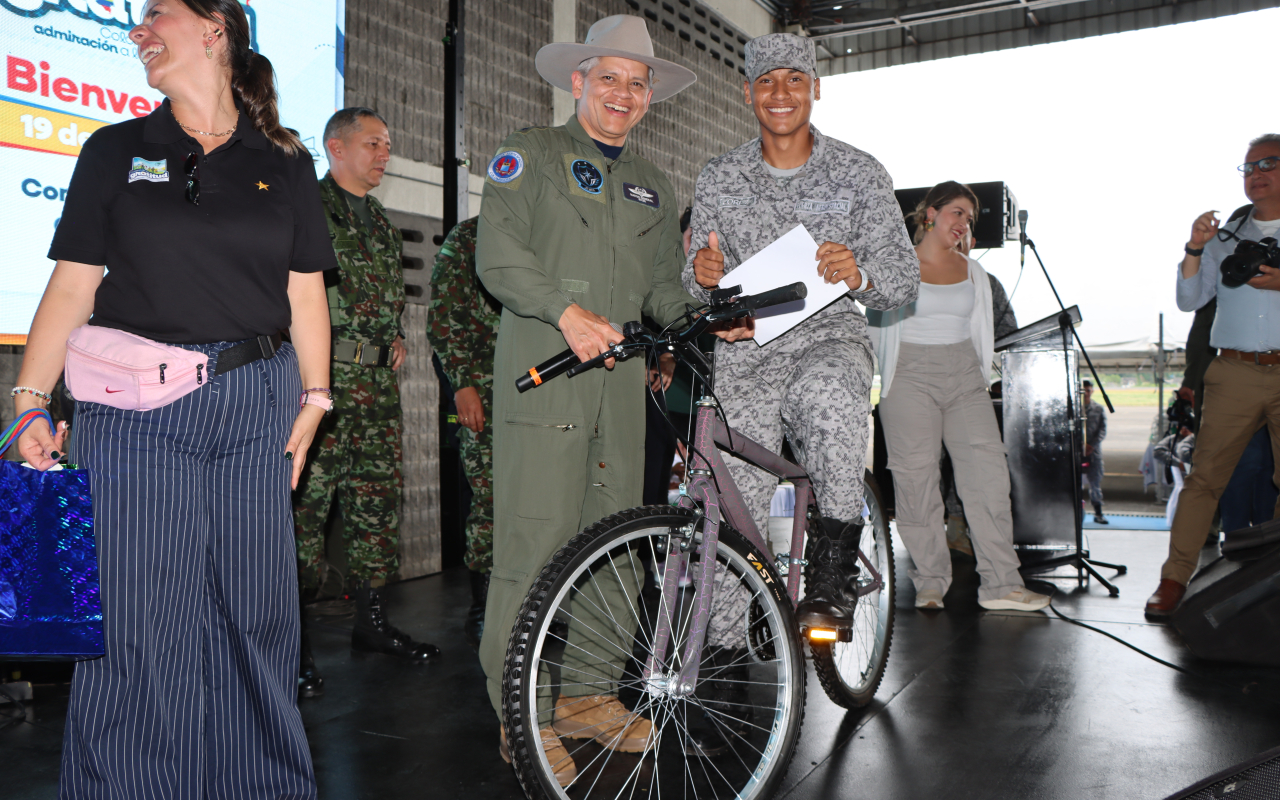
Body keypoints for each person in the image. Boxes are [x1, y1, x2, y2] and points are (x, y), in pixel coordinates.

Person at [12, 1, 333, 795]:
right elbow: (72, 286)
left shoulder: (283, 160)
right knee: (138, 628)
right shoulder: (116, 149)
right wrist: (27, 398)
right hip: (133, 411)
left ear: (215, 29)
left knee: (256, 622)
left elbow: (305, 293)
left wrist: (316, 399)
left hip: (256, 402)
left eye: (157, 12)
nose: (138, 29)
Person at [475, 15, 697, 780]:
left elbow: (663, 286)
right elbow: (497, 254)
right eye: (609, 78)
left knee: (618, 545)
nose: (623, 94)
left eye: (637, 84)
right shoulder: (529, 156)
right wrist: (564, 314)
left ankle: (590, 695)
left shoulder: (655, 186)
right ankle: (521, 713)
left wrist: (707, 314)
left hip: (623, 389)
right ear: (577, 82)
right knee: (534, 548)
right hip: (547, 374)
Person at [685, 33, 919, 631]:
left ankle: (832, 573)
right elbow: (697, 279)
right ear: (747, 93)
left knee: (828, 404)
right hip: (747, 349)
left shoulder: (859, 173)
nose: (780, 93)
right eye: (766, 81)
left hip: (828, 337)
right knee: (733, 497)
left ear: (816, 88)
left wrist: (859, 272)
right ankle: (729, 648)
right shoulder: (719, 176)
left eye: (794, 79)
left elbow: (902, 281)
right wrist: (701, 274)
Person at [293, 107, 439, 699]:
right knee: (305, 512)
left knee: (377, 508)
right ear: (335, 147)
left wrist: (395, 336)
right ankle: (292, 644)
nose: (385, 154)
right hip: (323, 387)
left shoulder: (378, 219)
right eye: (373, 143)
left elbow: (381, 295)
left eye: (387, 144)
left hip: (378, 390)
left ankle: (371, 625)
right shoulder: (306, 208)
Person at [868, 181, 1050, 612]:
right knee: (916, 482)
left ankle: (1002, 584)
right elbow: (875, 322)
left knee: (988, 478)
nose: (964, 222)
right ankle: (931, 579)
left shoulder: (975, 272)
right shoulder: (897, 266)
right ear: (929, 213)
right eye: (957, 212)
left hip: (965, 375)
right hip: (908, 374)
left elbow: (984, 332)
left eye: (970, 217)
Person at [1145, 134, 1280, 620]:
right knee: (1204, 481)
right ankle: (1173, 580)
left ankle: (1272, 579)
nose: (1255, 173)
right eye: (1247, 167)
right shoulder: (1227, 238)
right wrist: (1195, 248)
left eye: (1268, 163)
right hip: (1234, 371)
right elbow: (1188, 300)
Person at [427, 215, 501, 646]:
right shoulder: (471, 236)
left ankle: (537, 603)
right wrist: (462, 384)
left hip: (544, 390)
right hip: (486, 394)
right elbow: (443, 315)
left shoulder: (546, 233)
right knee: (490, 498)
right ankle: (484, 606)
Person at [1082, 379, 1109, 524]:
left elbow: (1102, 430)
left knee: (1095, 484)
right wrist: (1080, 445)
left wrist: (1091, 445)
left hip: (1094, 453)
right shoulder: (1073, 409)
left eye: (1088, 390)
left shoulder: (1098, 409)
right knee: (1074, 485)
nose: (1086, 393)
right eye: (1083, 390)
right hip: (1077, 452)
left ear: (1092, 391)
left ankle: (1098, 513)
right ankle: (1076, 512)